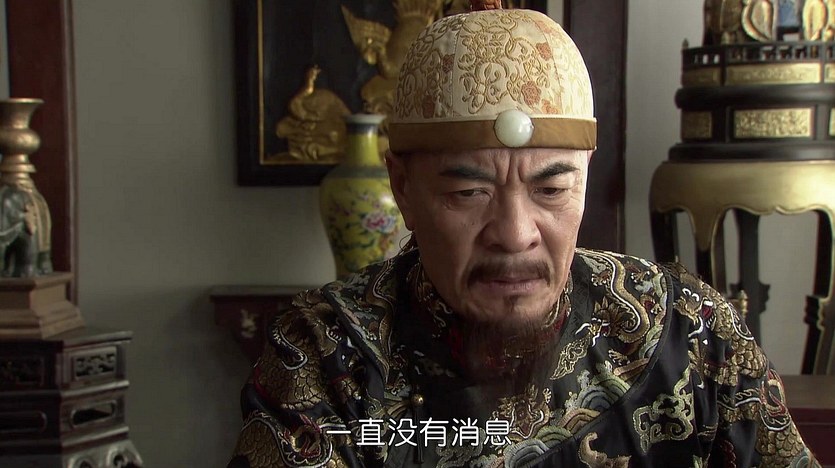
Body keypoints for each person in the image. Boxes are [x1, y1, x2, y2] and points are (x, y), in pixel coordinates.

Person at [228, 1, 819, 466]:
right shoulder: (324, 356)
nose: (514, 235)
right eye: (469, 193)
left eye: (551, 189)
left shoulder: (692, 332)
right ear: (402, 188)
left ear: (585, 182)